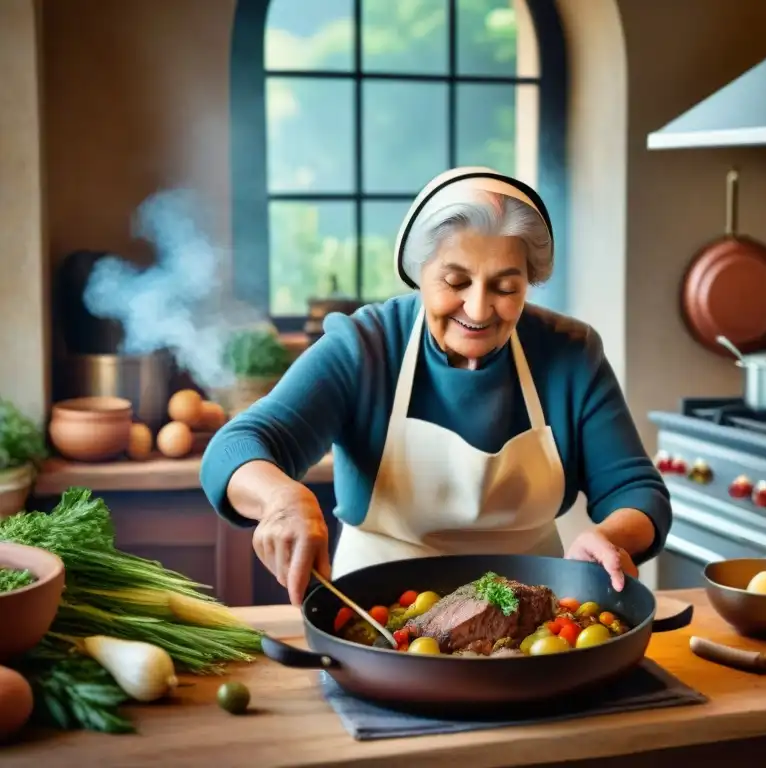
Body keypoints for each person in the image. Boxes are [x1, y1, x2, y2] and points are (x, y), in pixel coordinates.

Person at [200, 167, 671, 606]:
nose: (480, 308)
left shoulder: (570, 353)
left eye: (506, 288)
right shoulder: (365, 347)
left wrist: (611, 537)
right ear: (418, 271)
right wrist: (283, 499)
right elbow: (237, 445)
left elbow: (636, 490)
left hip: (536, 615)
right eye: (455, 280)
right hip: (378, 616)